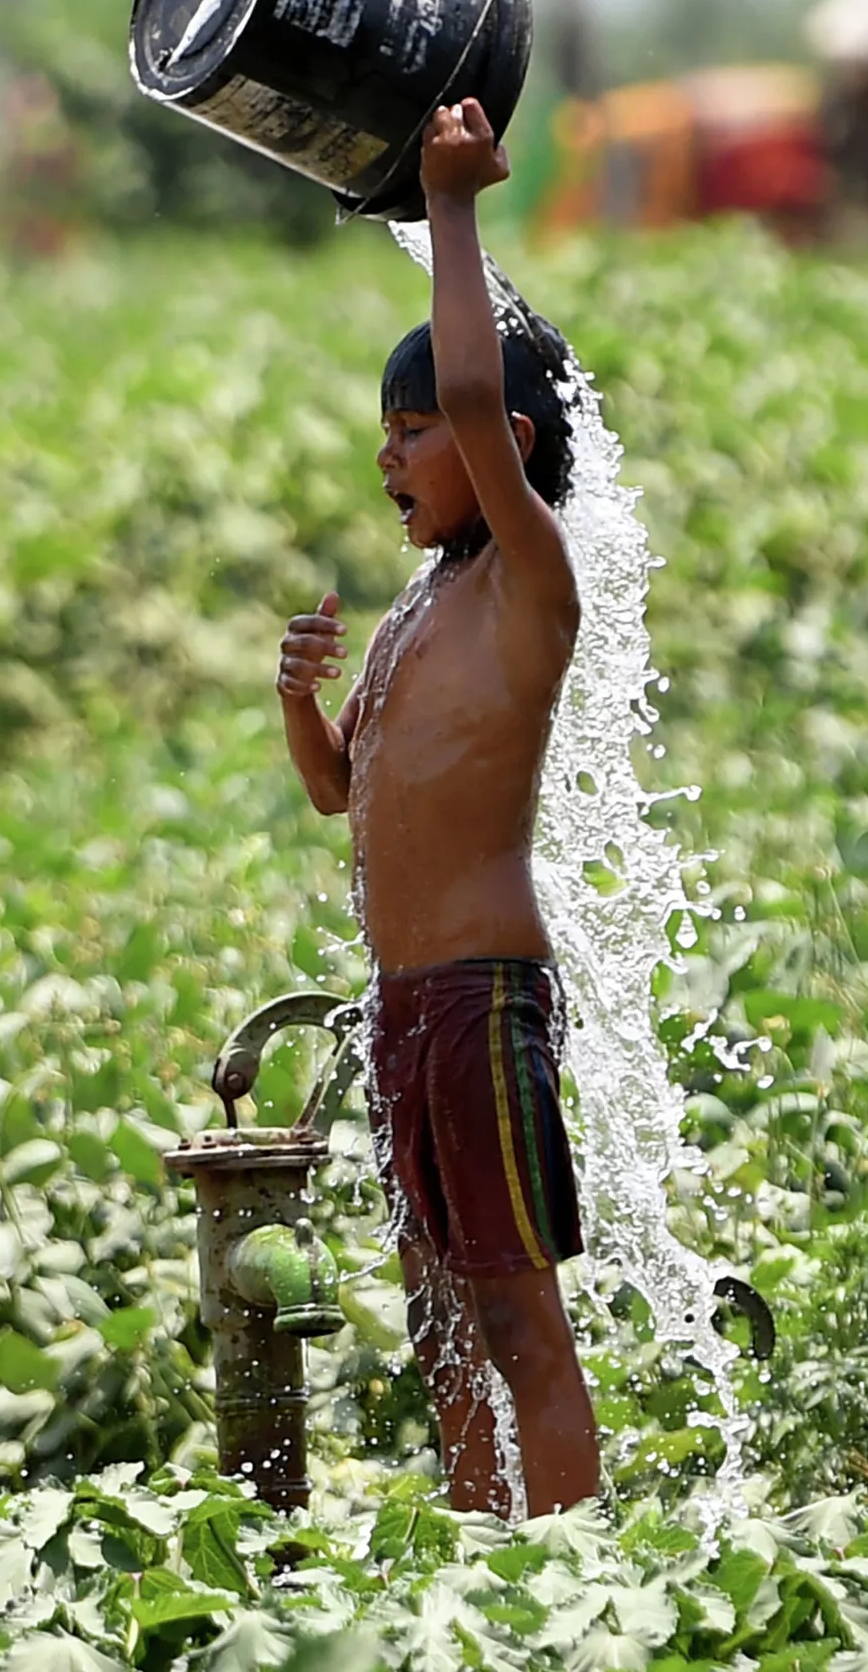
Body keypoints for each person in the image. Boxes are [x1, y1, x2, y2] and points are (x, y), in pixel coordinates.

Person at [274, 98, 600, 1518]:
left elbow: (476, 391)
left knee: (517, 1316)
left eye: (413, 431)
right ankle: (476, 1573)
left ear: (503, 441)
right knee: (442, 1327)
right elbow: (337, 790)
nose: (392, 459)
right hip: (404, 1007)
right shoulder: (418, 612)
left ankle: (580, 1567)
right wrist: (300, 701)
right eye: (389, 434)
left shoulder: (531, 580)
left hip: (481, 998)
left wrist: (450, 206)